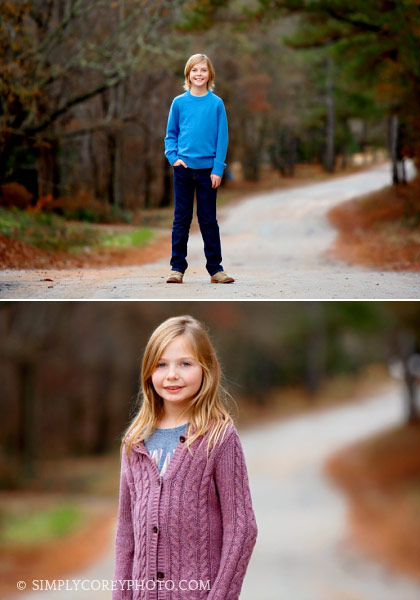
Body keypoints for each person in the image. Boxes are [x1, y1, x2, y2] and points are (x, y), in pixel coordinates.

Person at [114, 316, 257, 599]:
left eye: (185, 364)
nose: (172, 375)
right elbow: (126, 534)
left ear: (207, 369)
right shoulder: (135, 443)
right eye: (161, 364)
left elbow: (242, 530)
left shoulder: (219, 438)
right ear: (148, 372)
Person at [164, 54, 234, 284]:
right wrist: (173, 157)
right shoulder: (179, 103)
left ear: (209, 75)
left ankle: (216, 270)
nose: (199, 74)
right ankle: (177, 268)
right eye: (195, 70)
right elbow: (171, 134)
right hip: (183, 169)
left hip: (207, 171)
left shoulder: (216, 104)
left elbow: (222, 139)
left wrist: (218, 168)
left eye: (203, 70)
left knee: (208, 220)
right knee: (181, 219)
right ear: (188, 74)